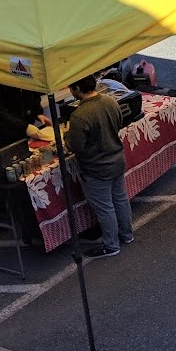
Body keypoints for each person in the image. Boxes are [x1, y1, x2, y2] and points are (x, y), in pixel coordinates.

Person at [65, 75, 133, 259]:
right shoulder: (110, 101)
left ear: (78, 88)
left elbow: (75, 146)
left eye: (71, 88)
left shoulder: (79, 115)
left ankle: (111, 245)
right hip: (117, 159)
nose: (71, 91)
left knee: (104, 208)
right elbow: (119, 123)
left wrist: (66, 137)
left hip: (96, 167)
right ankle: (127, 235)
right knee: (120, 199)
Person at [0, 80, 51, 151]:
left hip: (23, 128)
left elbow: (32, 91)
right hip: (1, 133)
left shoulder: (25, 72)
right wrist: (24, 127)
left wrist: (37, 113)